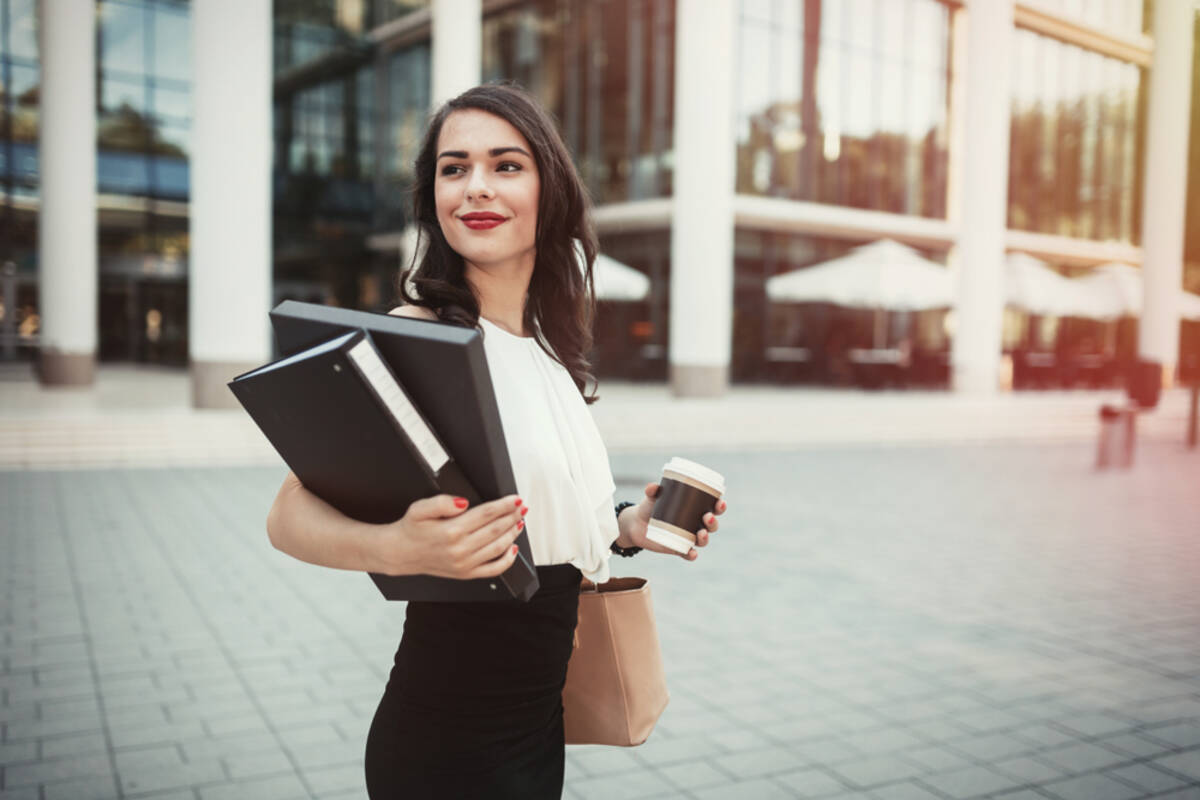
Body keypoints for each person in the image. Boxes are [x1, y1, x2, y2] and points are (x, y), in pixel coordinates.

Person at [264, 83, 728, 800]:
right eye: (454, 168)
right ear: (433, 196)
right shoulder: (422, 334)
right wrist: (396, 549)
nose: (475, 187)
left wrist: (629, 526)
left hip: (540, 723)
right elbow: (286, 515)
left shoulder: (550, 349)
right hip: (451, 736)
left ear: (551, 188)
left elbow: (538, 520)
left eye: (506, 165)